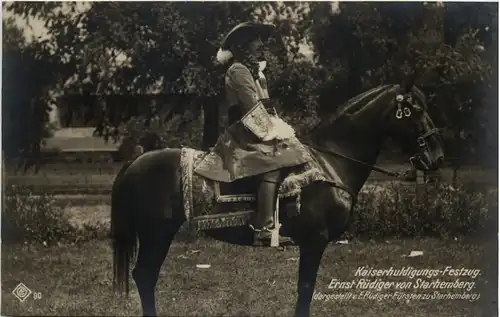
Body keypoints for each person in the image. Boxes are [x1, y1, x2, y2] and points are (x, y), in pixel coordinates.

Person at [194, 22, 312, 246]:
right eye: (255, 40)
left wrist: (280, 127)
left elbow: (267, 107)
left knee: (295, 151)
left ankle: (291, 215)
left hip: (258, 126)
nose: (261, 45)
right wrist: (273, 131)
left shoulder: (256, 73)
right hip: (245, 132)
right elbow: (251, 108)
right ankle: (263, 229)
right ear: (242, 46)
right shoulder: (238, 70)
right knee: (273, 162)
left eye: (260, 40)